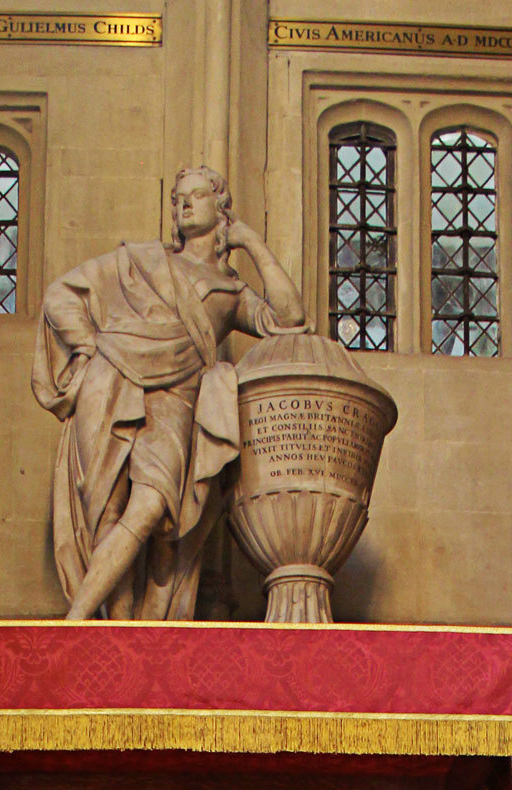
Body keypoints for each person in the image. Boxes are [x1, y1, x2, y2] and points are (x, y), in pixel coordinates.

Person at [31, 165, 306, 621]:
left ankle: (75, 621)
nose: (184, 203)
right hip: (110, 376)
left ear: (221, 209)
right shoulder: (139, 260)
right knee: (106, 509)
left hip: (177, 395)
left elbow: (290, 316)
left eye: (197, 195)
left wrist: (252, 242)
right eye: (178, 197)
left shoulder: (232, 291)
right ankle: (116, 634)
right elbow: (60, 294)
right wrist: (87, 347)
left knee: (153, 506)